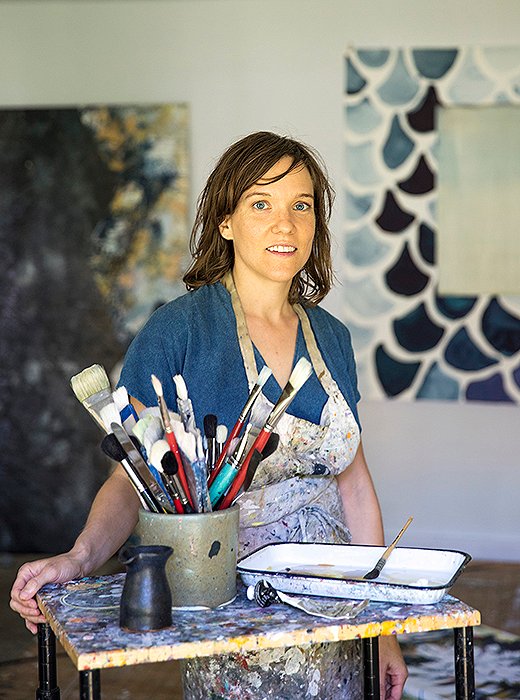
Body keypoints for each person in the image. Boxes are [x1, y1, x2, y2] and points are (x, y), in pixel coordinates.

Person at [10, 131, 408, 698]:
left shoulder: (334, 338)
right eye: (261, 204)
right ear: (226, 222)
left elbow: (356, 488)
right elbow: (135, 478)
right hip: (231, 606)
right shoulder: (179, 331)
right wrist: (80, 557)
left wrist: (383, 628)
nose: (285, 225)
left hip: (335, 603)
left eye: (302, 206)